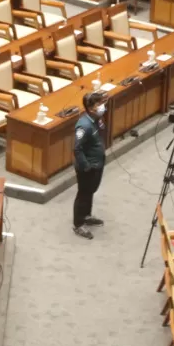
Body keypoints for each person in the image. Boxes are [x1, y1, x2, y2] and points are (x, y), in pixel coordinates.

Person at [72, 91, 106, 237]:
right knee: (83, 194)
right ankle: (78, 224)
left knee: (90, 191)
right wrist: (86, 166)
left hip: (97, 164)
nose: (102, 106)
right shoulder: (83, 126)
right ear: (91, 108)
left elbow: (101, 131)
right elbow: (77, 148)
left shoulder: (96, 118)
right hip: (88, 167)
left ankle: (87, 215)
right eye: (99, 104)